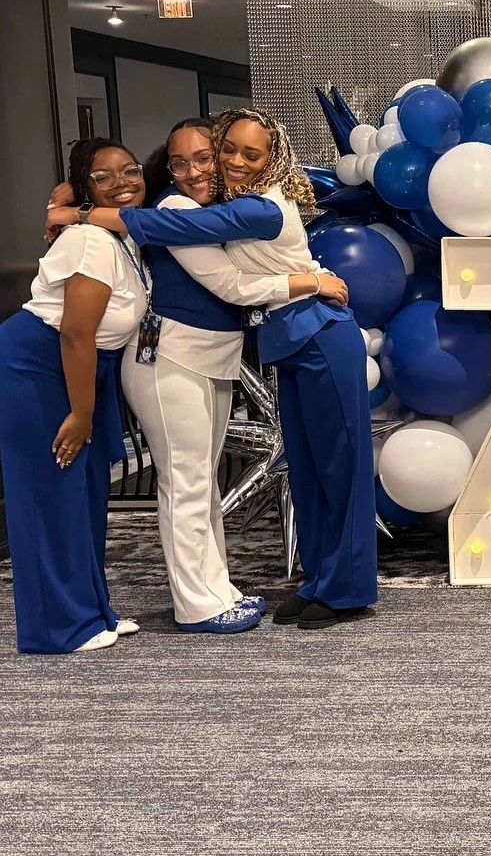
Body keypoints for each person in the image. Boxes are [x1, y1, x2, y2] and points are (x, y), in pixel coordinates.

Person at [49, 109, 377, 630]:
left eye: (245, 154)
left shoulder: (260, 208)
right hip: (276, 342)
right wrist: (75, 202)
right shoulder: (212, 202)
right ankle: (320, 580)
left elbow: (192, 240)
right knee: (308, 472)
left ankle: (347, 589)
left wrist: (82, 211)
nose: (229, 163)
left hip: (316, 336)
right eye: (225, 152)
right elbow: (169, 221)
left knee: (339, 466)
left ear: (274, 158)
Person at [0, 140, 150, 653]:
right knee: (49, 494)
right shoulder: (90, 241)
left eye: (130, 170)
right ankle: (57, 628)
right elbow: (75, 333)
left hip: (81, 366)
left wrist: (63, 204)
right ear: (86, 188)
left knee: (85, 495)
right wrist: (82, 412)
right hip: (43, 364)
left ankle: (90, 611)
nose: (123, 181)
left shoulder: (118, 235)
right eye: (104, 177)